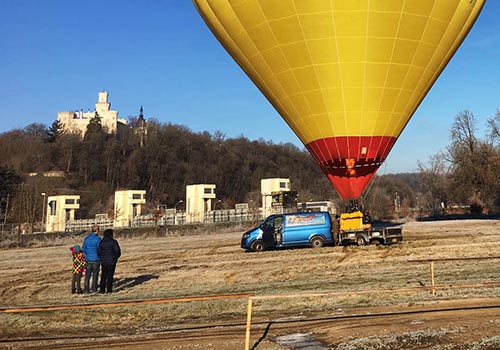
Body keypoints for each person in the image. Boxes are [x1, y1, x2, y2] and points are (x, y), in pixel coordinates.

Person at [97, 229, 121, 294]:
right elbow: (117, 251)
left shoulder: (101, 242)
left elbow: (98, 252)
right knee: (110, 275)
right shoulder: (114, 242)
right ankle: (109, 289)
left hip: (104, 261)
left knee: (103, 275)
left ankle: (102, 289)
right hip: (111, 261)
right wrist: (115, 257)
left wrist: (102, 257)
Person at [82, 224, 101, 293]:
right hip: (96, 259)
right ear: (97, 230)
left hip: (88, 259)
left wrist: (88, 253)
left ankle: (86, 289)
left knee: (87, 275)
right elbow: (100, 249)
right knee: (95, 275)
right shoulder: (98, 239)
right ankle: (94, 289)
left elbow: (83, 249)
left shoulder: (87, 239)